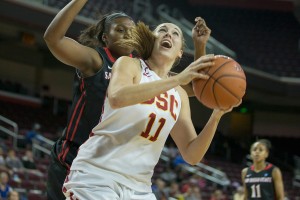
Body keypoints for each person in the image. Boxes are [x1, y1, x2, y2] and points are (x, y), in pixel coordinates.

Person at [44, 0, 211, 199]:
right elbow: (53, 39)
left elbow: (194, 87)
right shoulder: (98, 61)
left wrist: (199, 46)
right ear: (105, 38)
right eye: (120, 30)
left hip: (121, 169)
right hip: (77, 158)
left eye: (131, 31)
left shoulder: (144, 70)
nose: (127, 34)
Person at [62, 21, 239, 199]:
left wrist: (216, 116)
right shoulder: (130, 65)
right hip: (96, 175)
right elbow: (117, 98)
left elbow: (192, 155)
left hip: (139, 187)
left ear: (180, 53)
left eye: (175, 33)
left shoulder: (179, 95)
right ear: (152, 41)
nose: (168, 34)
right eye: (162, 30)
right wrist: (177, 80)